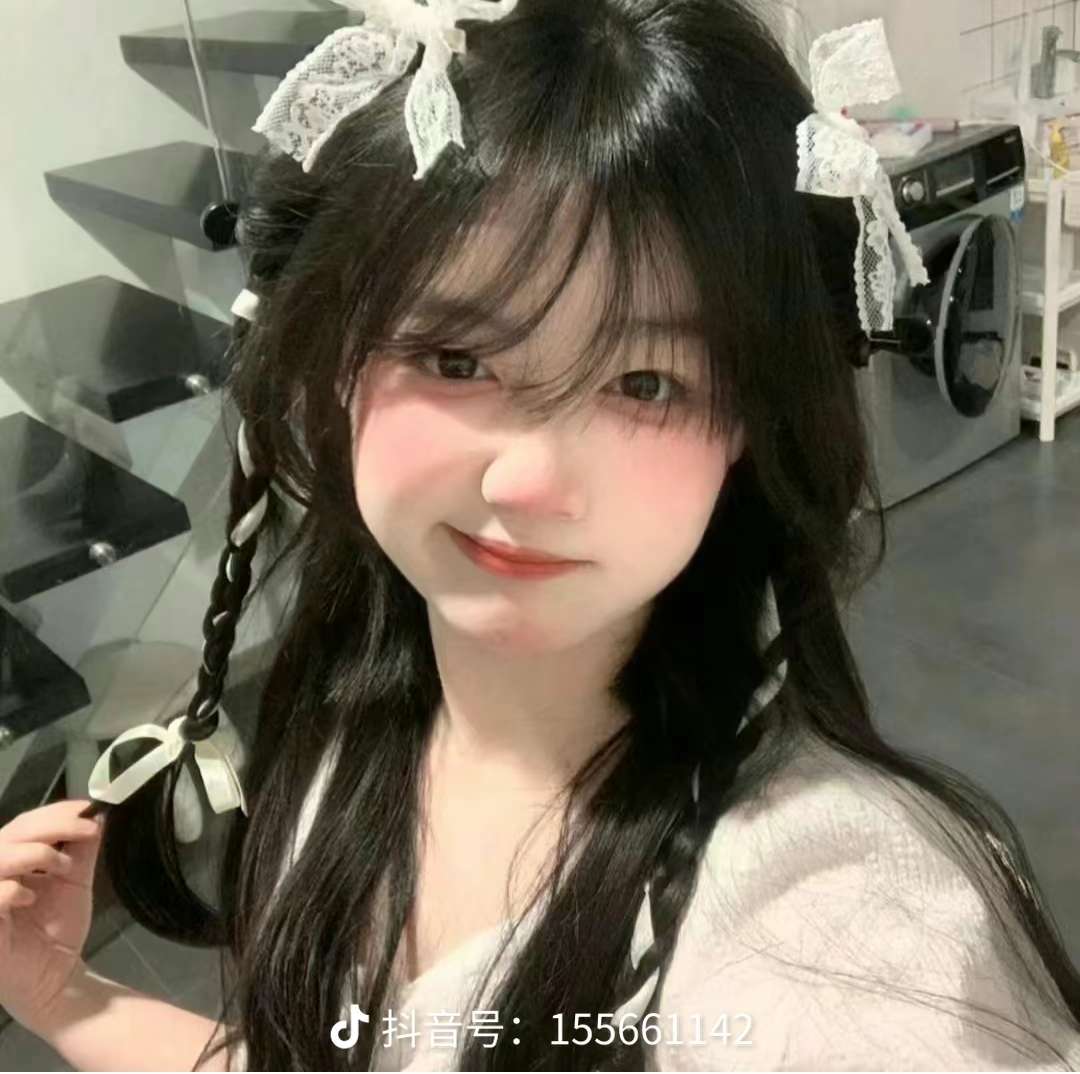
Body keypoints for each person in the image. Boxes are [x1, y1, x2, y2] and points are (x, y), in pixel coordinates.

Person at [0, 0, 1078, 1069]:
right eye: (458, 360)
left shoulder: (829, 920)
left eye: (644, 382)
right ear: (338, 360)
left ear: (750, 424)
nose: (527, 482)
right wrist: (62, 995)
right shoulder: (356, 719)